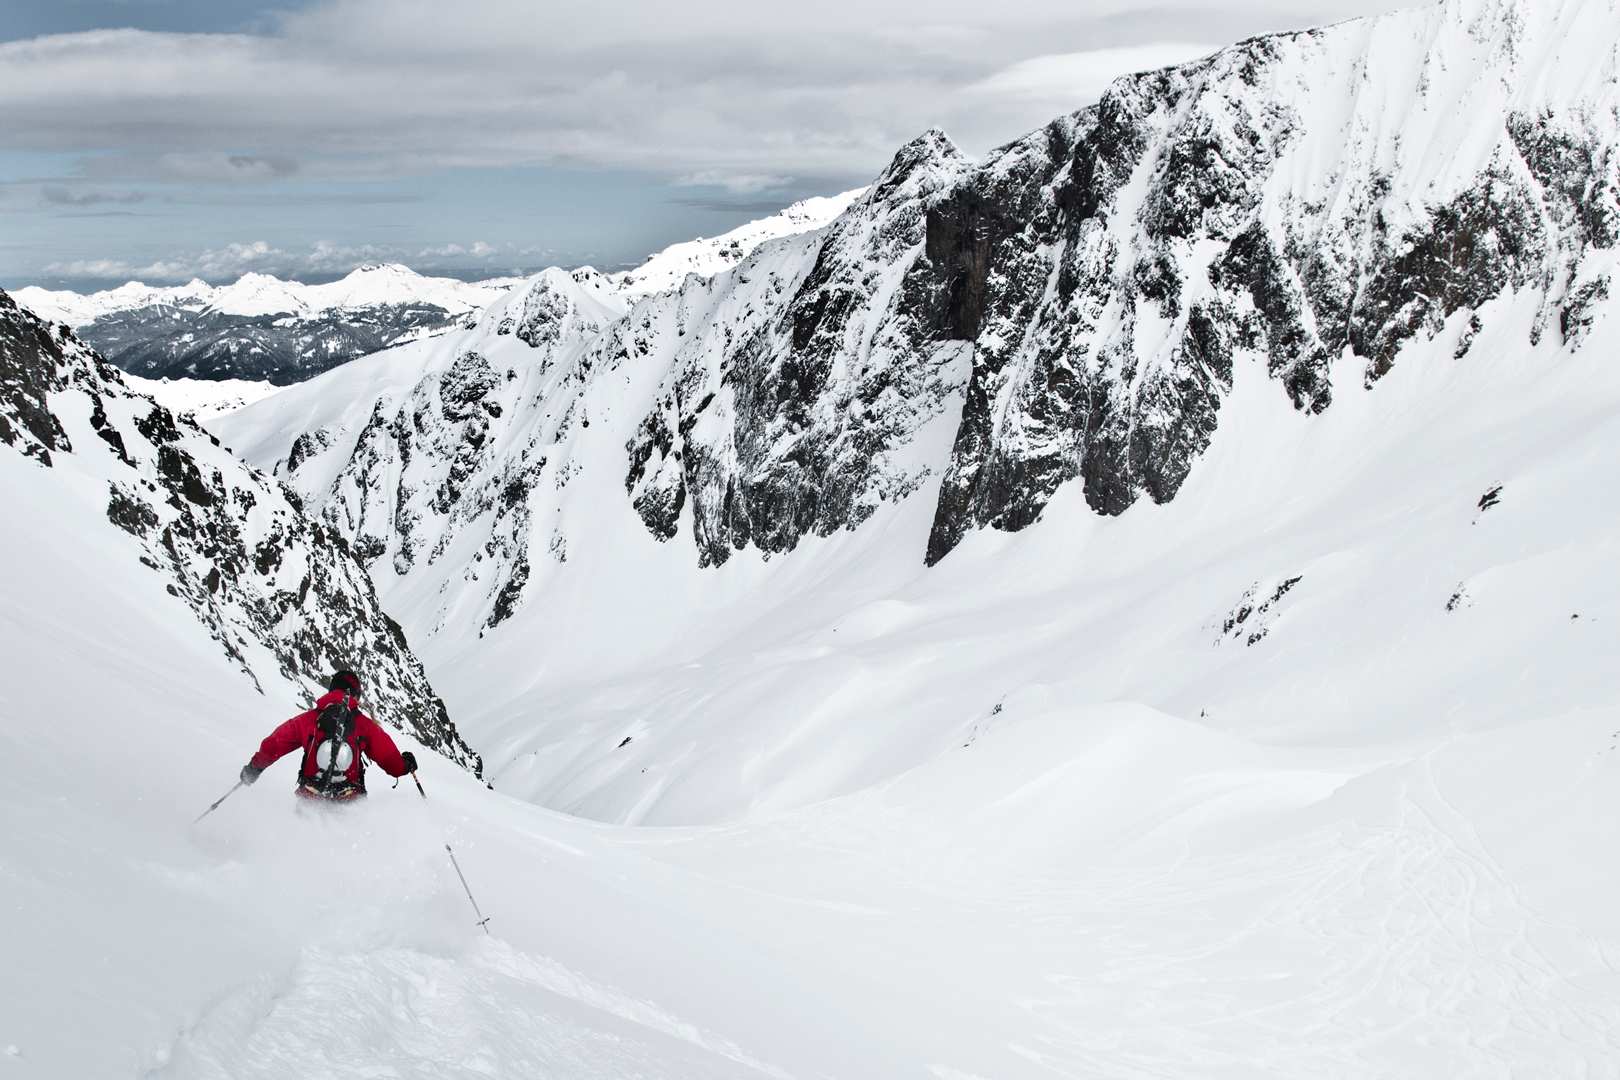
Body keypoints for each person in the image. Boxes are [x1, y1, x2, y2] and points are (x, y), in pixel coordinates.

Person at [238, 670, 418, 801]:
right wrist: (406, 765)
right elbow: (390, 761)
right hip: (350, 802)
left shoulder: (308, 720)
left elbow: (274, 744)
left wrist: (254, 768)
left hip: (310, 798)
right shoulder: (364, 725)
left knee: (301, 847)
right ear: (356, 695)